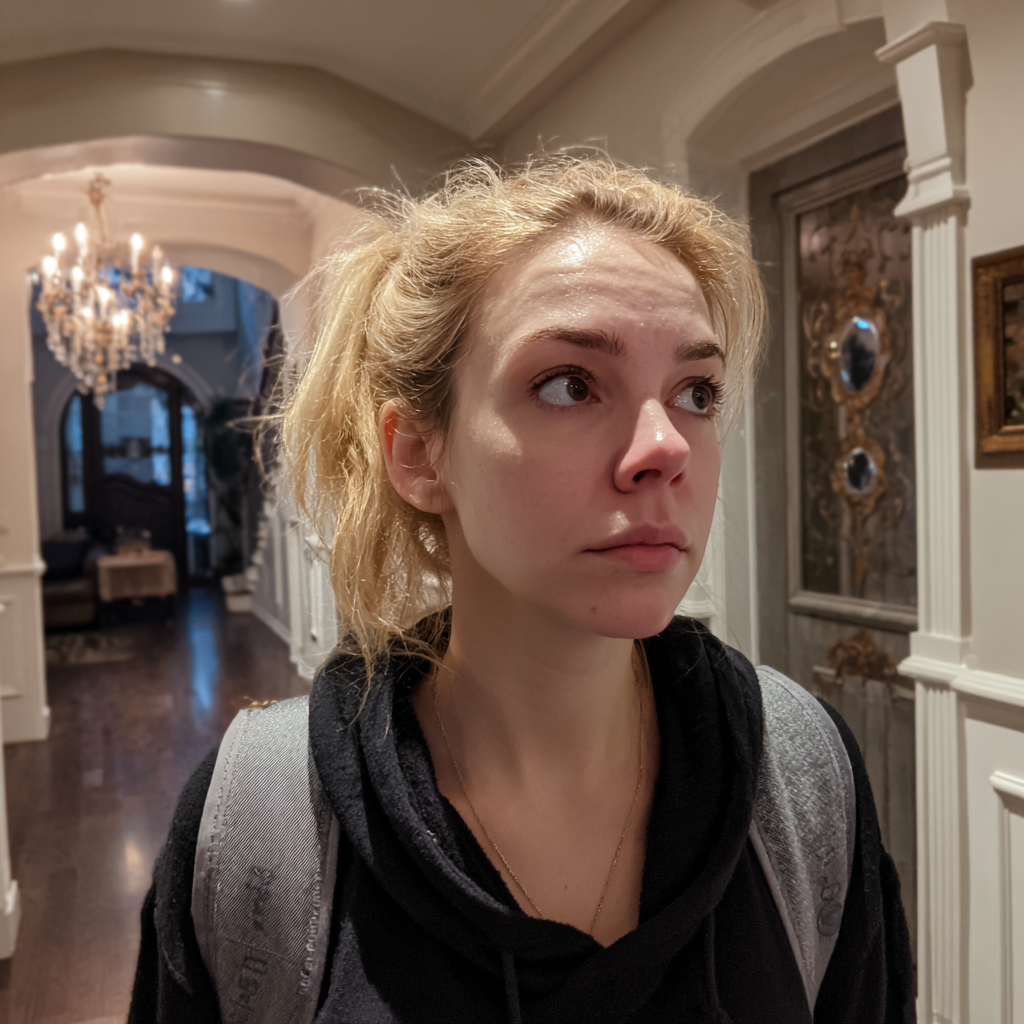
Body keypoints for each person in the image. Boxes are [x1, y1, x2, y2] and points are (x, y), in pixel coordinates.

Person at [128, 156, 914, 1023]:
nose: (667, 446)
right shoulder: (259, 829)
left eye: (696, 391)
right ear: (419, 455)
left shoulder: (800, 779)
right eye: (570, 385)